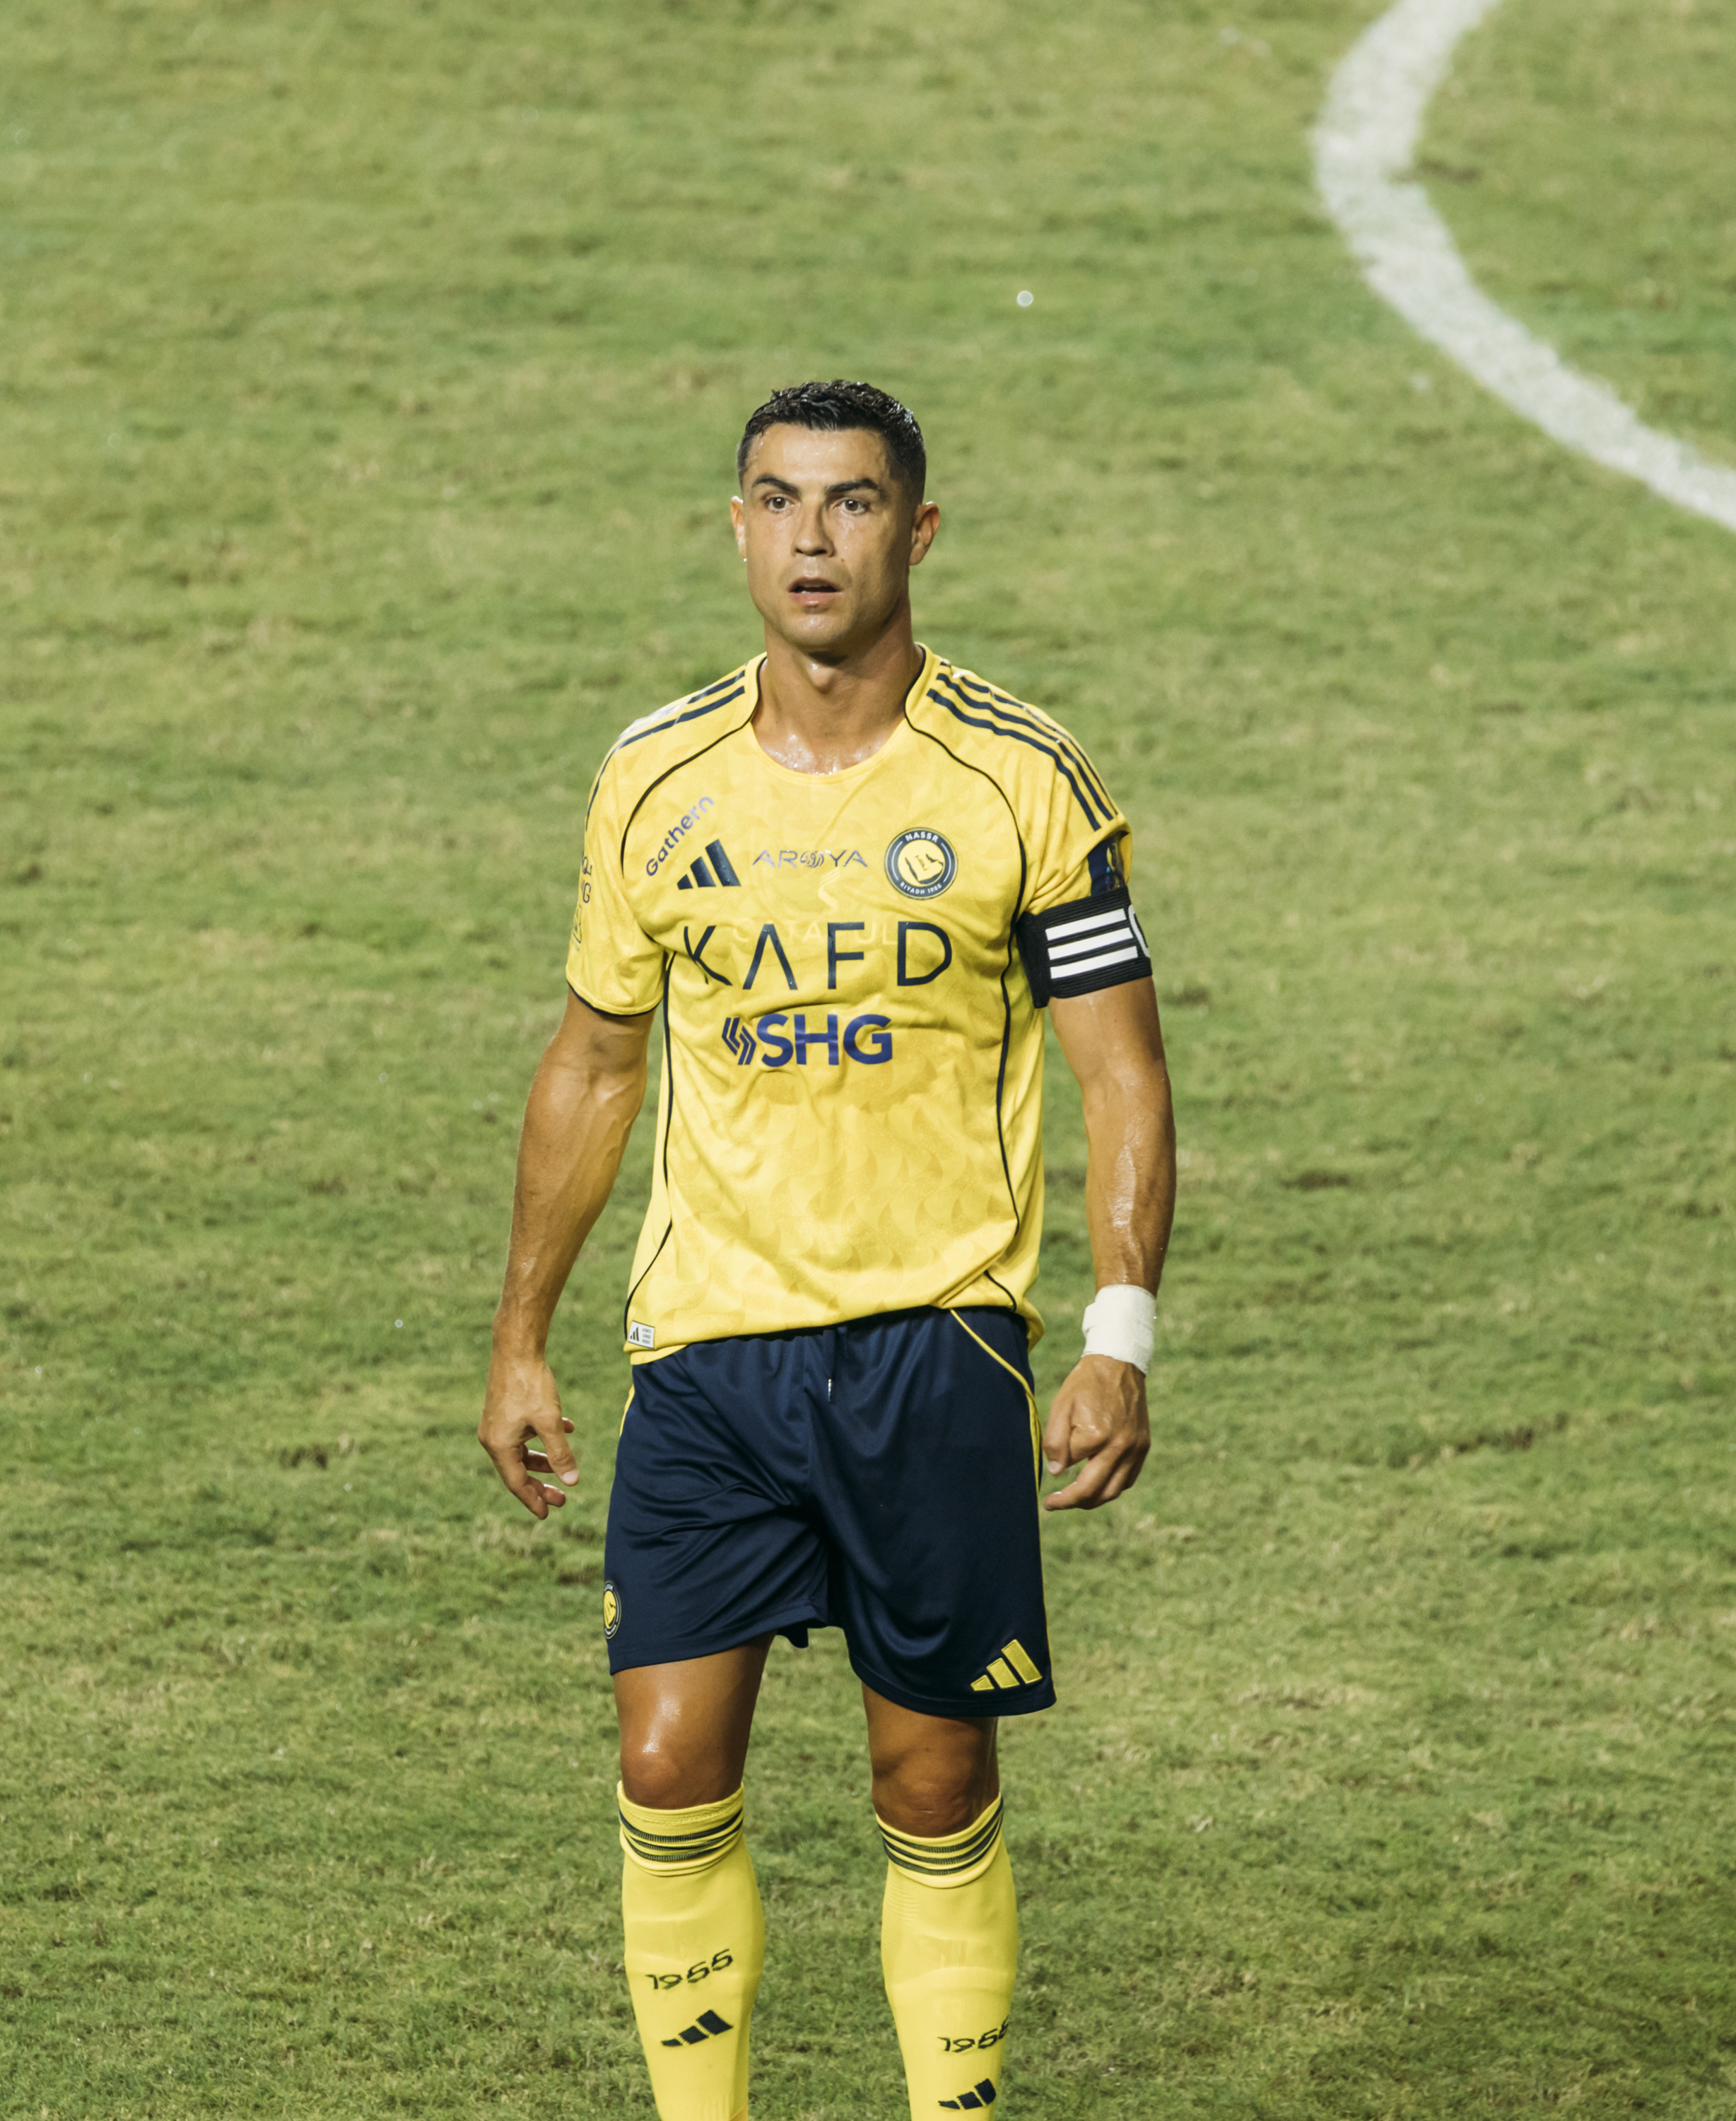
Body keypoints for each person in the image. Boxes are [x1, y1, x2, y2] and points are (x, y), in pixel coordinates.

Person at [477, 379, 1177, 2120]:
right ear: (736, 528)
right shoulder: (654, 778)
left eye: (852, 503)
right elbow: (594, 1064)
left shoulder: (1023, 778)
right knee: (664, 1765)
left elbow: (1123, 1074)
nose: (812, 539)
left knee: (930, 1786)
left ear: (915, 531)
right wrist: (519, 1337)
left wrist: (1119, 1338)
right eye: (779, 502)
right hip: (707, 1350)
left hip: (933, 1345)